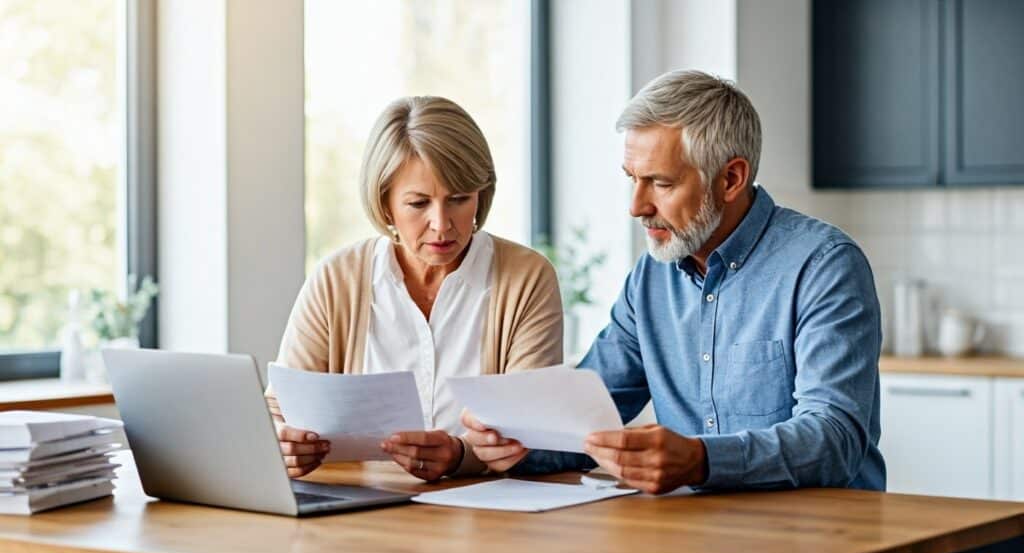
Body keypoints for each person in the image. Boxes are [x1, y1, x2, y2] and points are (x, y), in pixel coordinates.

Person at [461, 69, 886, 494]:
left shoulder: (823, 265)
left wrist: (701, 461)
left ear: (731, 179)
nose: (636, 206)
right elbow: (584, 422)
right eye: (632, 178)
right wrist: (499, 445)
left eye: (661, 183)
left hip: (823, 534)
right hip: (694, 531)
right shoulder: (651, 278)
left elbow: (835, 439)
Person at [267, 96, 563, 481]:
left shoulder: (526, 277)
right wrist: (285, 444)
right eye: (418, 203)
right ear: (385, 204)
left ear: (480, 194)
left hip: (485, 513)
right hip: (357, 507)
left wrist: (460, 455)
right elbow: (280, 410)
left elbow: (530, 428)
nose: (441, 224)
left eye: (459, 199)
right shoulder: (337, 278)